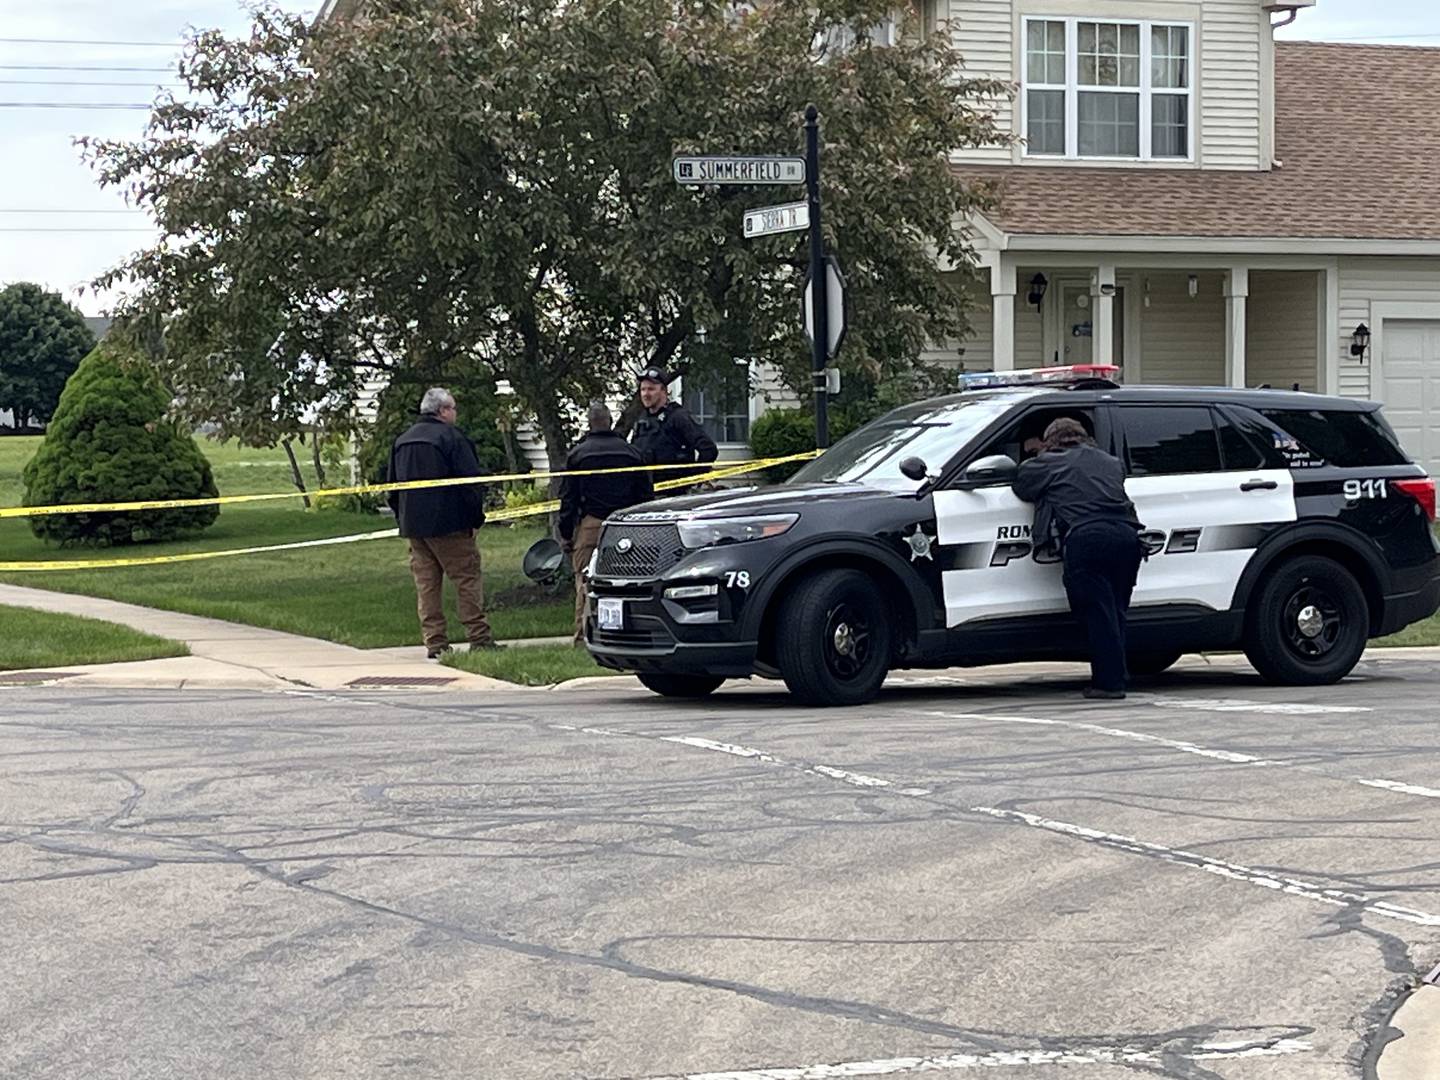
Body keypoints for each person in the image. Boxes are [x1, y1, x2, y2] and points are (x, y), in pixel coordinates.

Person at [1012, 417, 1145, 700]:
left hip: (1088, 538)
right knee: (1116, 611)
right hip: (1127, 537)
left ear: (1052, 441)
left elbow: (1023, 485)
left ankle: (1109, 685)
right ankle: (1117, 675)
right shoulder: (1110, 462)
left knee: (1098, 613)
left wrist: (1037, 452)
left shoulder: (1050, 462)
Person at [387, 387, 498, 659]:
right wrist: (475, 518)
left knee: (427, 585)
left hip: (415, 527)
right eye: (454, 409)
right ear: (443, 411)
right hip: (451, 524)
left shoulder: (403, 441)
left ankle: (435, 642)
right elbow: (470, 484)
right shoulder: (452, 438)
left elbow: (391, 488)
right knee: (467, 579)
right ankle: (479, 637)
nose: (455, 414)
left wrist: (403, 516)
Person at [558, 402, 654, 643]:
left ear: (589, 424)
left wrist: (566, 533)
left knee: (584, 578)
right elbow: (645, 496)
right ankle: (629, 630)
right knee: (628, 579)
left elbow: (568, 500)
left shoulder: (578, 455)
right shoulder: (631, 453)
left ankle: (583, 635)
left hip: (591, 524)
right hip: (625, 525)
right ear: (610, 422)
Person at [629, 366, 718, 488]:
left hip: (675, 495)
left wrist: (693, 479)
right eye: (643, 389)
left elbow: (708, 449)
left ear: (664, 391)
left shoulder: (678, 417)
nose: (646, 394)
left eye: (651, 389)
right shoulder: (641, 420)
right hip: (648, 494)